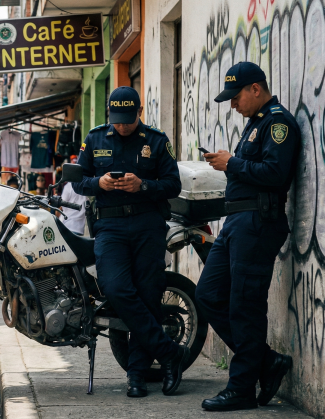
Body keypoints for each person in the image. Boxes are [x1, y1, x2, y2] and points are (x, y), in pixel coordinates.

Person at [196, 62, 300, 412]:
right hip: (238, 222)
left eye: (236, 96)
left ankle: (241, 388)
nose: (232, 105)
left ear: (256, 89)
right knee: (208, 294)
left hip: (258, 223)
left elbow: (274, 172)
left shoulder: (278, 122)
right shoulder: (257, 124)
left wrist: (232, 163)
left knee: (245, 305)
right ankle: (267, 361)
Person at [72, 86, 188, 398]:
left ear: (139, 112)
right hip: (109, 224)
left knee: (148, 296)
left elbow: (173, 185)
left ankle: (136, 375)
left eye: (128, 118)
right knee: (115, 288)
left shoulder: (156, 140)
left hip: (147, 223)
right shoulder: (95, 138)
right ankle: (169, 353)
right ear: (109, 114)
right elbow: (77, 181)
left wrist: (143, 185)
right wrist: (99, 182)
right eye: (116, 119)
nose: (121, 125)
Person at [59, 155, 87, 235]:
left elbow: (61, 206)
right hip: (79, 228)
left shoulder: (68, 186)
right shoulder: (84, 186)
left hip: (68, 225)